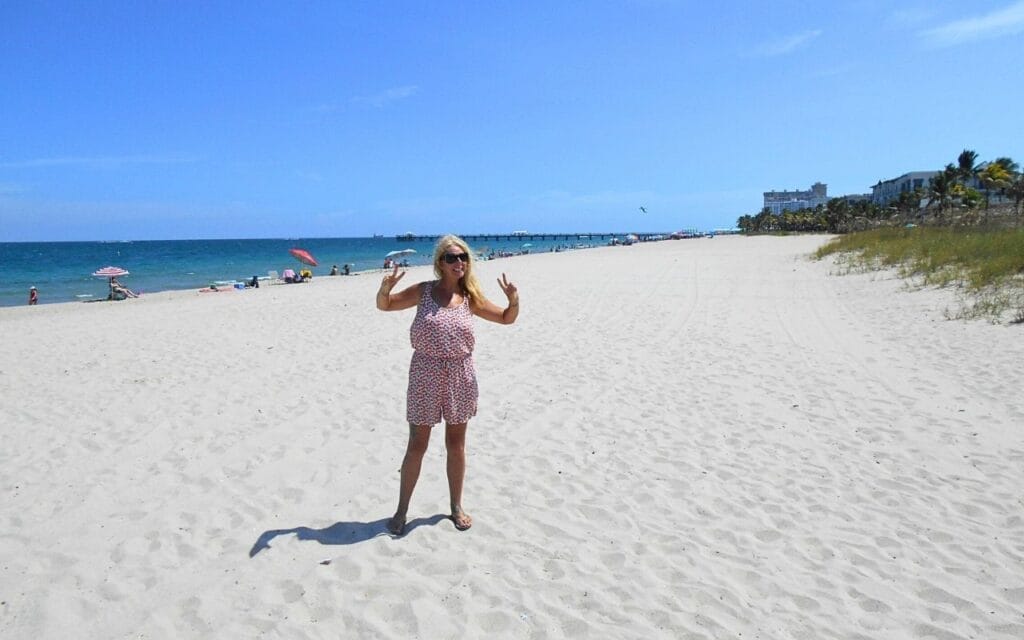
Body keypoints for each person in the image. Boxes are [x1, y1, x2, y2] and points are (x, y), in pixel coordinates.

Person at [376, 234, 519, 536]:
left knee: (456, 445)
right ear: (439, 263)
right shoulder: (424, 291)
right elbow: (385, 306)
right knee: (417, 445)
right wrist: (384, 289)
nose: (459, 262)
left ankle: (455, 506)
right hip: (424, 372)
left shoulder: (471, 298)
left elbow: (507, 319)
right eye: (452, 257)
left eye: (463, 257)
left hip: (460, 374)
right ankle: (401, 510)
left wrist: (514, 300)